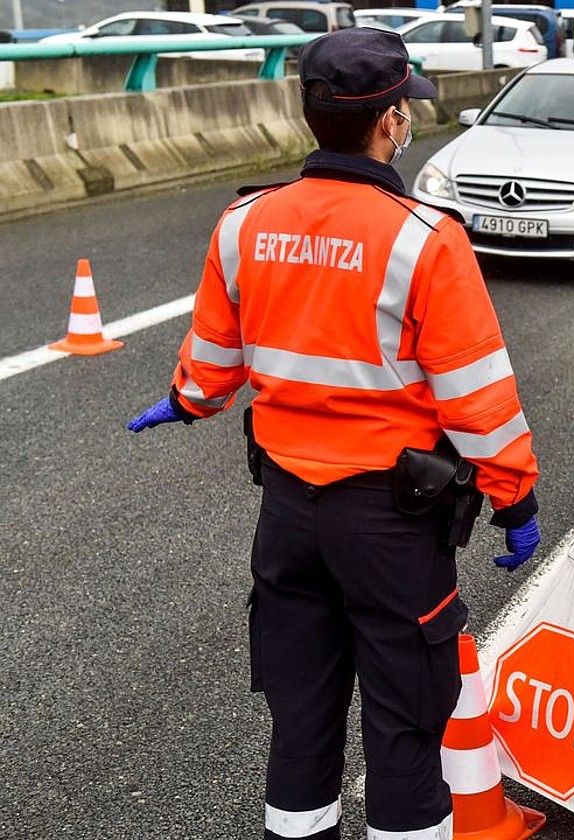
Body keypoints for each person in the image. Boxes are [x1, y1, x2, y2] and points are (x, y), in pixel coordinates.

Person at [125, 27, 542, 840]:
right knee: (405, 725)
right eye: (404, 109)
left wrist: (186, 401)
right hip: (392, 522)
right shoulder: (425, 237)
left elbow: (213, 359)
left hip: (287, 514)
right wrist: (515, 498)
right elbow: (478, 399)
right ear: (390, 122)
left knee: (302, 717)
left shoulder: (245, 222)